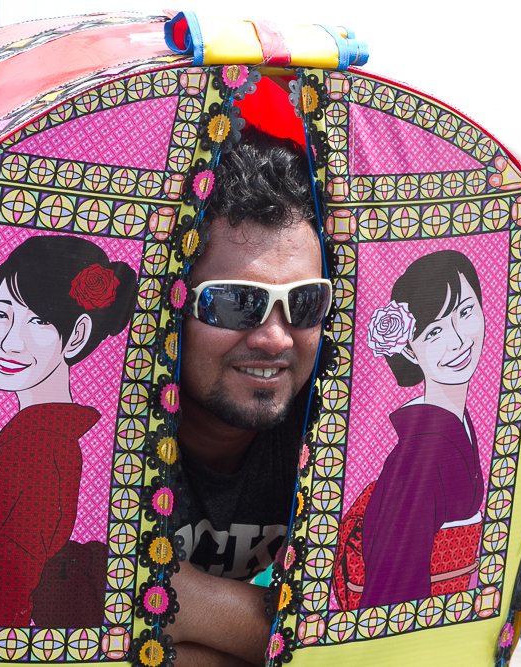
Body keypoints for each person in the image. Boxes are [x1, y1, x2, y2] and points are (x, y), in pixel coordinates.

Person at [168, 130, 328, 666]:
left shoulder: (337, 425)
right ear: (169, 306)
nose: (276, 338)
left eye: (304, 302)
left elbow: (369, 644)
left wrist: (189, 600)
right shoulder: (105, 430)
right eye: (237, 302)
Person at [0, 235, 137, 627]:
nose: (9, 341)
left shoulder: (39, 452)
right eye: (2, 314)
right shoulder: (34, 439)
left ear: (77, 335)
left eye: (39, 320)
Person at [334, 250, 487, 610]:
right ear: (410, 352)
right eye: (433, 332)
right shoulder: (421, 457)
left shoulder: (456, 429)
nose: (458, 340)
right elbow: (391, 599)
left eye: (465, 312)